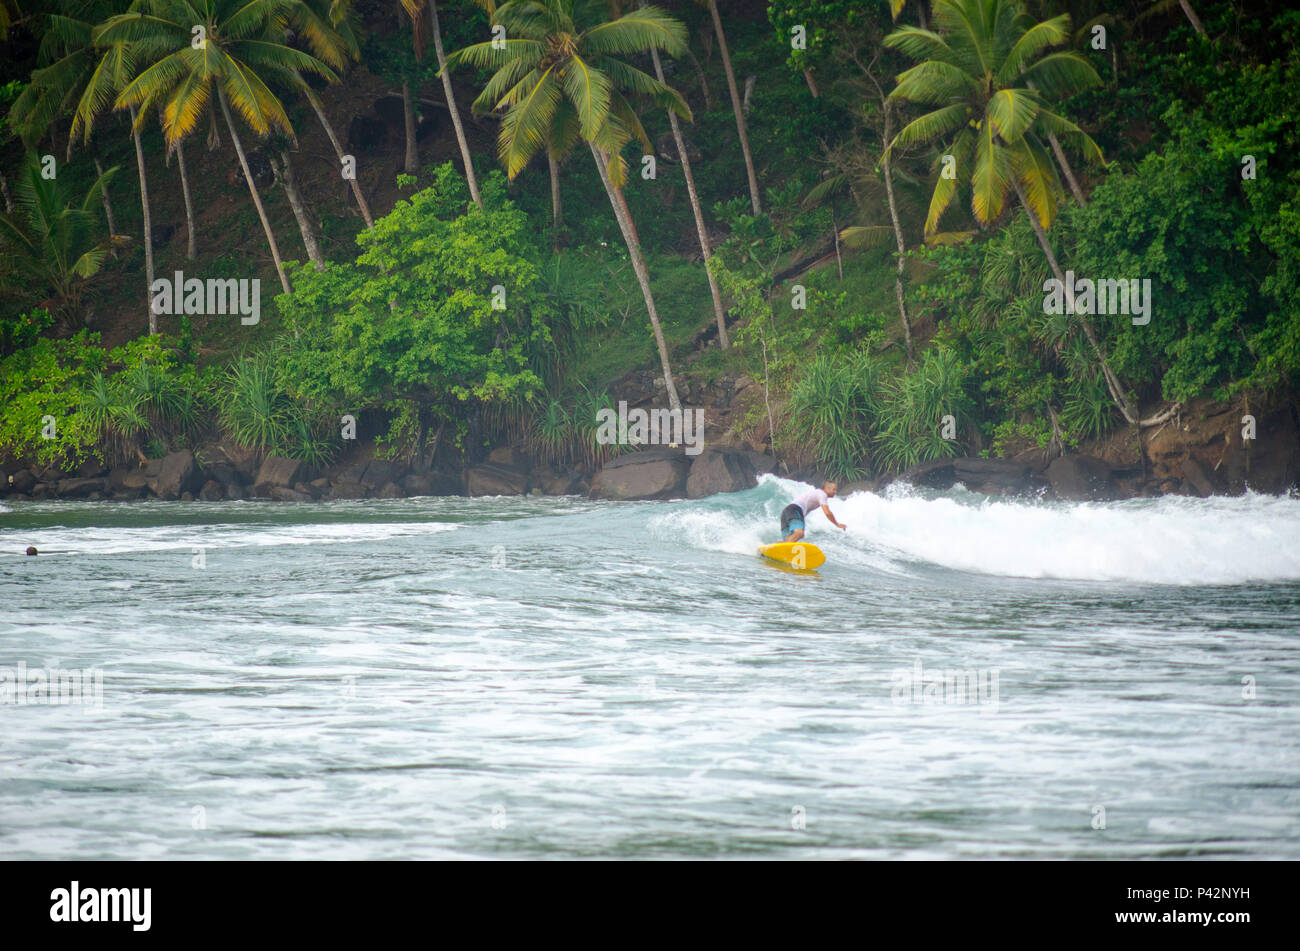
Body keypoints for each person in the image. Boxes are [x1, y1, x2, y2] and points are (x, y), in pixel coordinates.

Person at [779, 480, 847, 543]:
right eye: (834, 489)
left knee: (789, 539)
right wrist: (837, 524)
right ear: (827, 489)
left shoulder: (817, 493)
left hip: (786, 511)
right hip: (795, 510)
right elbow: (827, 513)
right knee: (799, 533)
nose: (835, 492)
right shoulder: (822, 494)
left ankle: (771, 549)